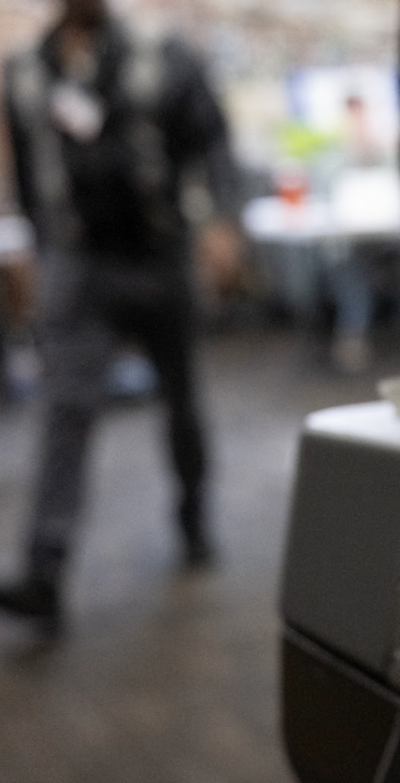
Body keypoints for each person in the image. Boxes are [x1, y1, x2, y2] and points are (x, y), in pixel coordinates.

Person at [0, 0, 240, 634]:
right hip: (81, 269)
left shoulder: (161, 56)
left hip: (159, 257)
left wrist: (220, 219)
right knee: (65, 408)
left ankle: (194, 518)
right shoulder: (27, 71)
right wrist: (38, 251)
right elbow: (28, 173)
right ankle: (45, 572)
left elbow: (211, 138)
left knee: (182, 400)